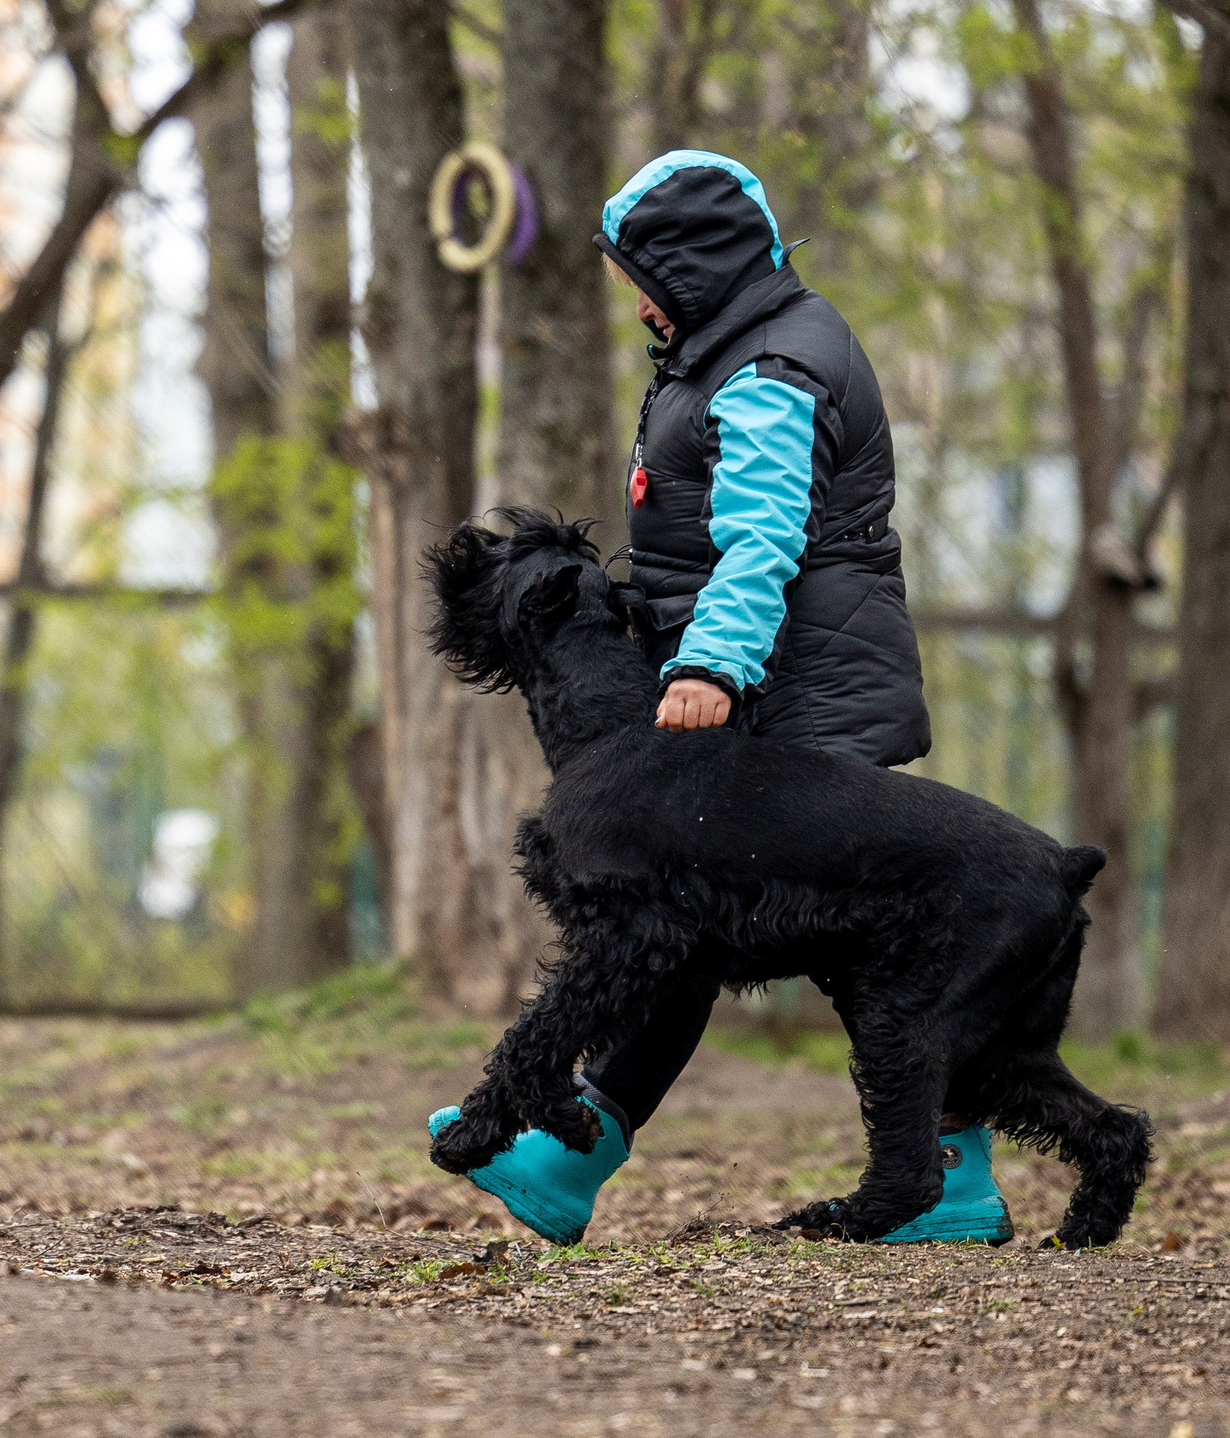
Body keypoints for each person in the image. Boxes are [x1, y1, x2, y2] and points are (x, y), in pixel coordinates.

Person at [428, 150, 1009, 1246]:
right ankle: (569, 1154)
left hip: (793, 688)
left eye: (641, 275)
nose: (634, 300)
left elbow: (759, 539)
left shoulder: (772, 369)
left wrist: (709, 666)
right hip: (762, 682)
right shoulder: (722, 348)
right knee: (676, 927)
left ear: (692, 265)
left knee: (861, 950)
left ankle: (947, 1177)